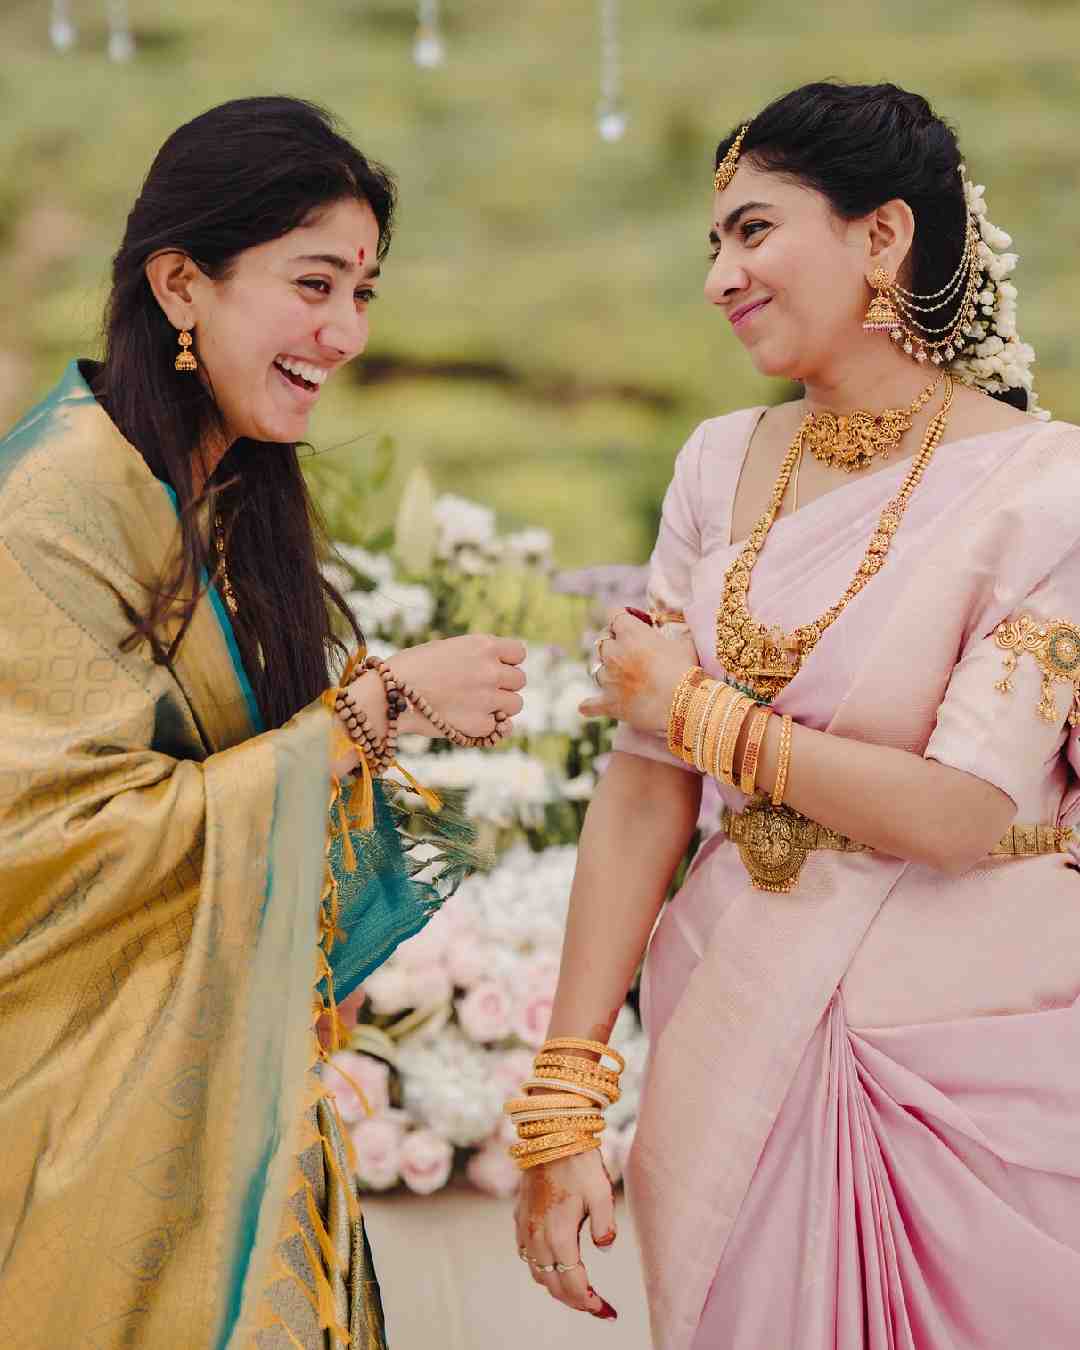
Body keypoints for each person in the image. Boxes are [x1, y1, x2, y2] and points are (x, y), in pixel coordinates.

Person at [510, 81, 1080, 1349]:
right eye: (713, 242)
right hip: (732, 1033)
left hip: (965, 1068)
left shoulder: (1048, 492)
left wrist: (704, 716)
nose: (720, 275)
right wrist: (564, 1099)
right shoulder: (718, 463)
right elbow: (646, 782)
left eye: (755, 230)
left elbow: (961, 813)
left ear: (882, 238)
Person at [0, 96, 527, 1349]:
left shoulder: (223, 498)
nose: (344, 332)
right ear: (181, 284)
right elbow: (53, 852)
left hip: (222, 1093)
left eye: (365, 292)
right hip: (81, 1114)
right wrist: (376, 710)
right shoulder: (48, 516)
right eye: (314, 284)